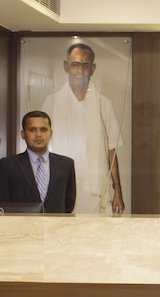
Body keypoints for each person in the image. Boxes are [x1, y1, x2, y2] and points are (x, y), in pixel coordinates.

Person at [41, 43, 125, 215]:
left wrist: (117, 188)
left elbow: (112, 150)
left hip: (95, 187)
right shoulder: (52, 103)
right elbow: (41, 148)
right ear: (66, 66)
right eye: (75, 64)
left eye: (86, 65)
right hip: (61, 185)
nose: (80, 70)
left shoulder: (104, 105)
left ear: (93, 69)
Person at [0, 111, 76, 213]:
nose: (38, 134)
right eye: (32, 130)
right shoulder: (8, 165)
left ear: (51, 133)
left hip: (56, 222)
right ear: (23, 134)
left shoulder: (66, 165)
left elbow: (68, 204)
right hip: (20, 222)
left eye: (43, 129)